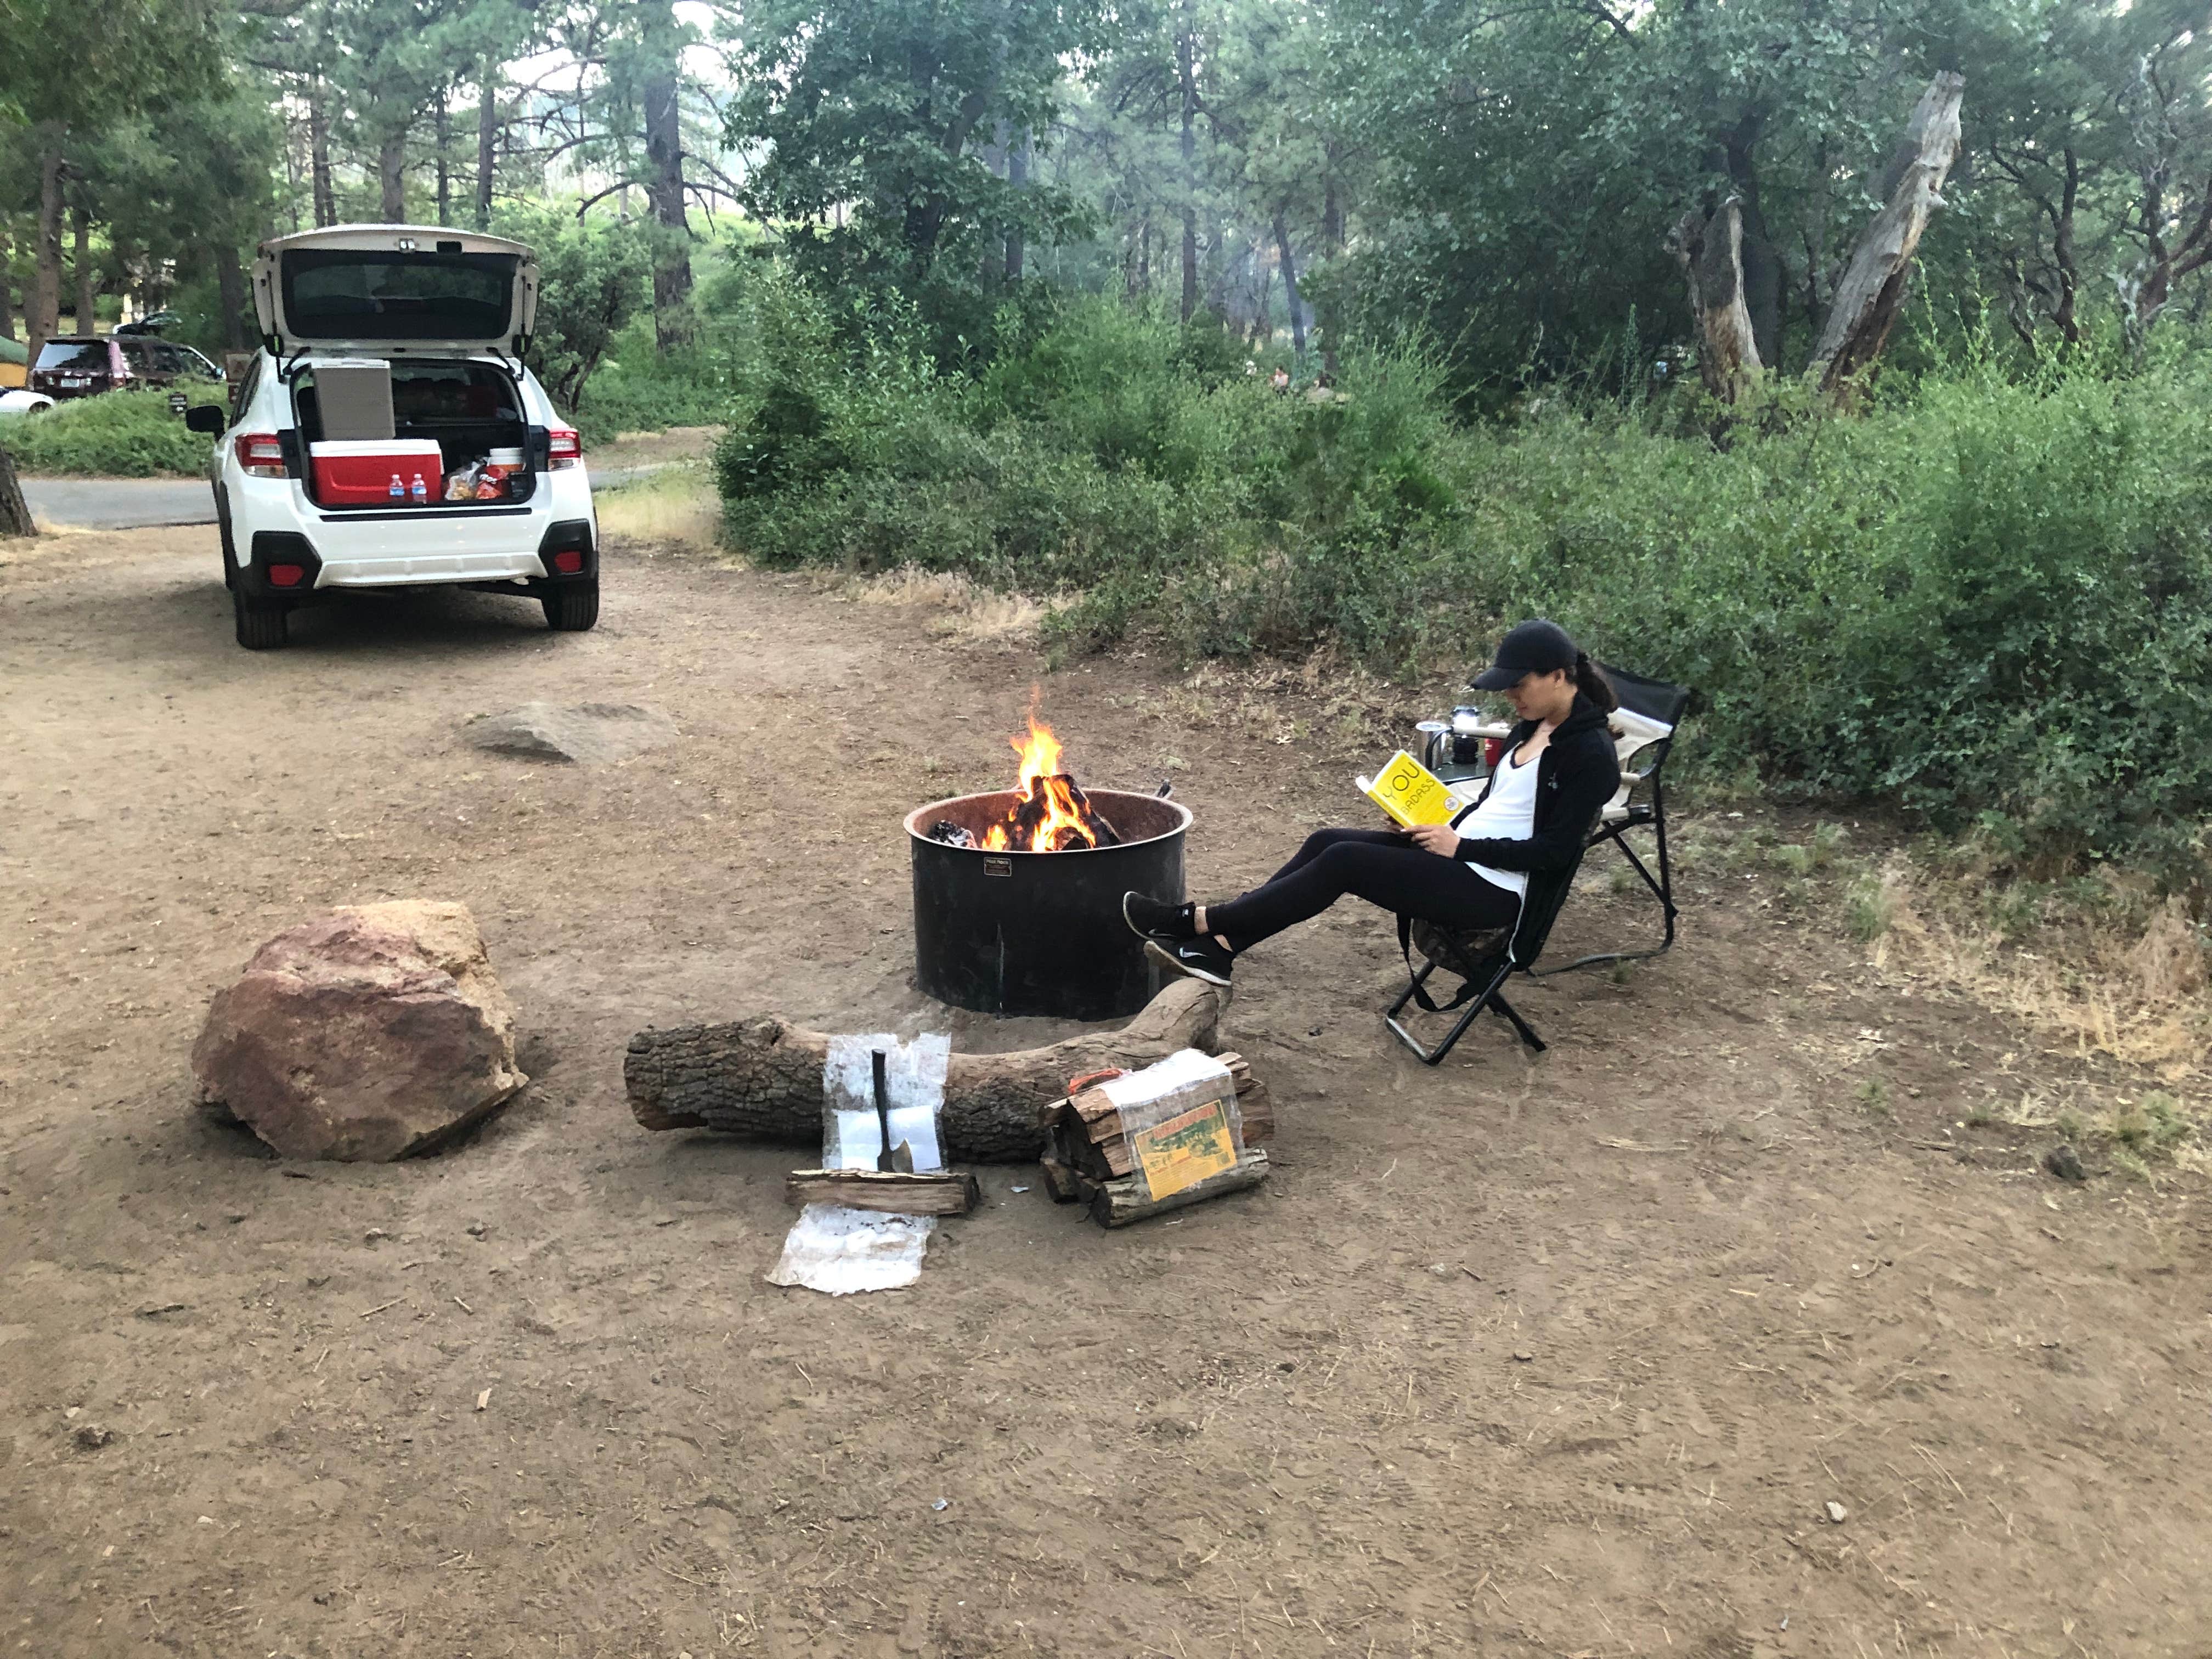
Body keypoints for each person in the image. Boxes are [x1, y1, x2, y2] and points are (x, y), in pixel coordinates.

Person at [1125, 619, 1622, 986]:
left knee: (1345, 861)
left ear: (1558, 676)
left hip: (1496, 894)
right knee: (1327, 840)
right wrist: (1432, 823)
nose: (1511, 695)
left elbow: (1556, 854)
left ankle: (1196, 923)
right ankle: (1222, 949)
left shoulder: (1589, 754)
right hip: (1462, 852)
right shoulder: (1533, 725)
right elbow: (1501, 809)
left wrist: (1460, 848)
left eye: (1519, 684)